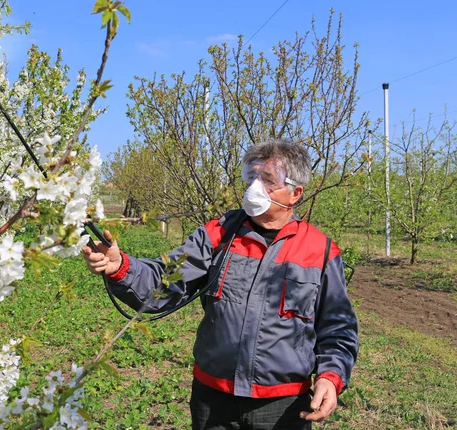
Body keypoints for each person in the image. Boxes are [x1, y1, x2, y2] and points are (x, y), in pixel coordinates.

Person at [82, 138, 359, 430]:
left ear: (295, 194)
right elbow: (165, 282)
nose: (254, 187)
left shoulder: (321, 251)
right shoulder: (217, 235)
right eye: (251, 176)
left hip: (283, 407)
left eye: (268, 180)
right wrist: (121, 267)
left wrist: (330, 376)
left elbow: (338, 328)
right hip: (213, 400)